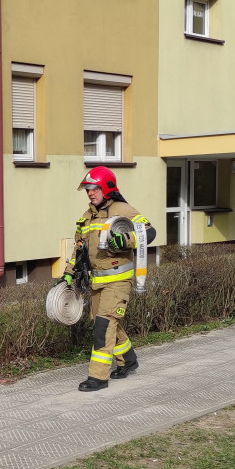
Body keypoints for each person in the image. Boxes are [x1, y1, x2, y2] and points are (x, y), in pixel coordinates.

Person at [58, 166, 154, 392]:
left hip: (118, 282)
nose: (90, 193)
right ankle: (128, 360)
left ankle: (98, 377)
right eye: (88, 189)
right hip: (97, 281)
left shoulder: (123, 209)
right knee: (108, 323)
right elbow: (79, 251)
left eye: (94, 188)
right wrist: (67, 275)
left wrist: (126, 240)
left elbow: (149, 232)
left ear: (107, 188)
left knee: (104, 326)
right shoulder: (87, 216)